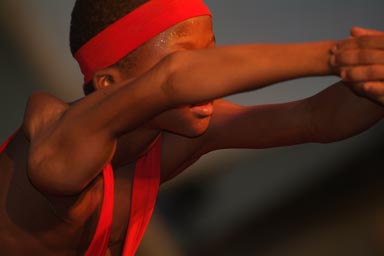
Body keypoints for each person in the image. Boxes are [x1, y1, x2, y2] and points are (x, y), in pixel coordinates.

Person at [0, 0, 383, 255]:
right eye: (189, 56)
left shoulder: (176, 137)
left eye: (212, 52)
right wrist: (336, 55)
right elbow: (173, 80)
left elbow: (316, 118)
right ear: (108, 84)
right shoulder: (56, 137)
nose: (211, 75)